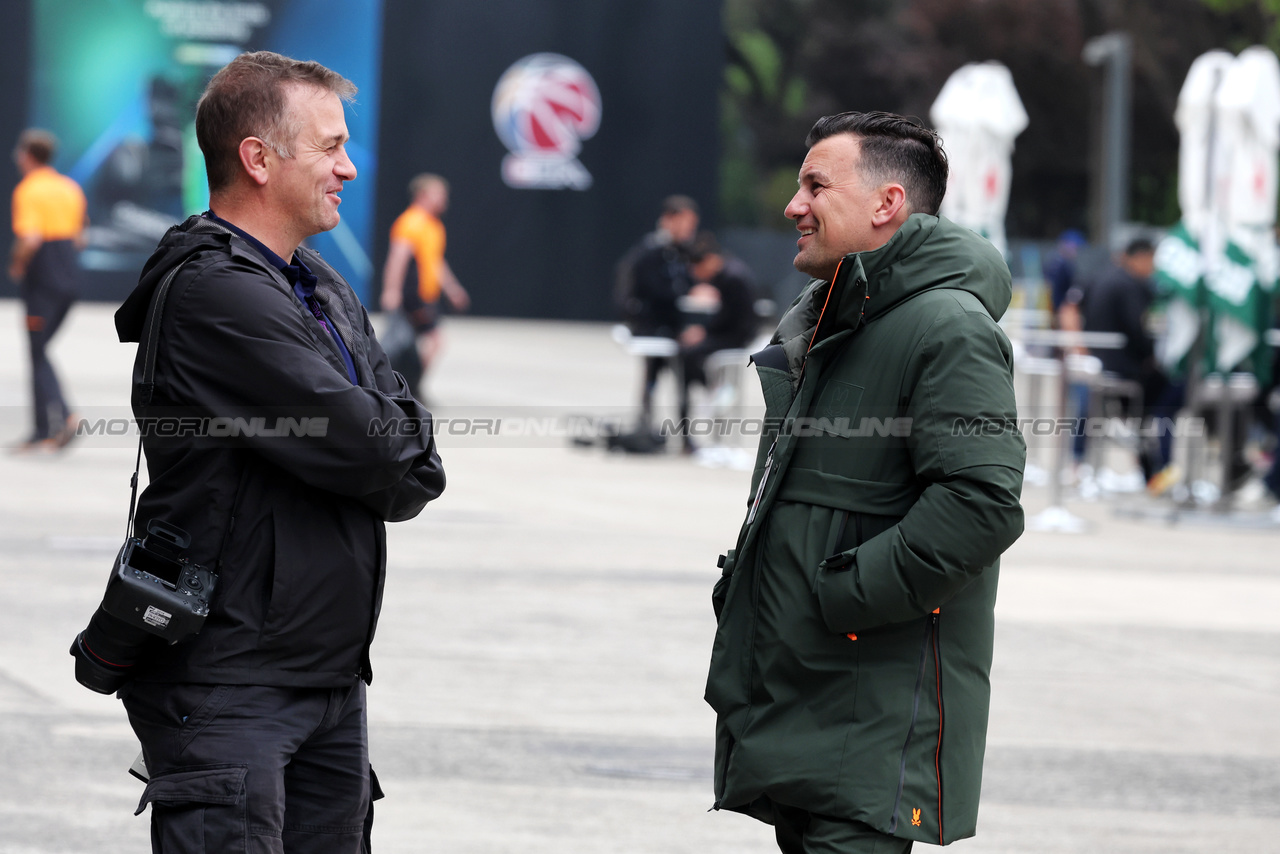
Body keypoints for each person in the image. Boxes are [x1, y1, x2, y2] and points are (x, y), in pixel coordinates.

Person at [72, 51, 445, 852]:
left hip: (328, 677)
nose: (348, 166)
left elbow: (414, 464)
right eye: (330, 146)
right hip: (231, 680)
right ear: (259, 158)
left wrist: (392, 438)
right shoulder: (218, 292)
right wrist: (389, 437)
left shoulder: (313, 282)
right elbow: (381, 449)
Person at [704, 112, 1026, 853]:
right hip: (804, 703)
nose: (793, 206)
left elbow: (980, 504)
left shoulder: (947, 326)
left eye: (816, 185)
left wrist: (844, 596)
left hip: (868, 719)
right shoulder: (829, 321)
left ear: (886, 203)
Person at [1069, 237, 1181, 485]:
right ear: (1140, 257)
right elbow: (1140, 330)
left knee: (1090, 410)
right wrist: (1151, 356)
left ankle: (1079, 462)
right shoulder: (1132, 285)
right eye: (1152, 260)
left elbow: (1071, 308)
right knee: (1170, 398)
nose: (1153, 267)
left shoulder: (1101, 277)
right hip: (1125, 370)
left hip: (1098, 363)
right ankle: (1157, 470)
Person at [9, 128, 87, 451]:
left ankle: (65, 418)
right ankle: (42, 431)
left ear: (27, 155)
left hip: (42, 282)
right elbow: (81, 237)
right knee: (38, 349)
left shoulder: (29, 190)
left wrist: (16, 264)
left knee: (37, 350)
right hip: (68, 279)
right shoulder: (70, 188)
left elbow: (31, 238)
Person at [379, 173, 469, 397]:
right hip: (413, 296)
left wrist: (451, 288)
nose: (443, 199)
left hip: (427, 296)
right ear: (422, 195)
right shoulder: (411, 222)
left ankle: (404, 386)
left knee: (412, 344)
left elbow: (436, 261)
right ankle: (408, 387)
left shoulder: (434, 225)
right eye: (438, 194)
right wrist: (391, 290)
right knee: (431, 340)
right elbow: (397, 259)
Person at [616, 194, 699, 422]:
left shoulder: (685, 253)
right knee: (653, 374)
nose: (689, 229)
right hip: (652, 326)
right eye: (685, 223)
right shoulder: (648, 253)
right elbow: (649, 291)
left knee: (686, 379)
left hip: (678, 327)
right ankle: (646, 429)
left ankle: (684, 435)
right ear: (669, 220)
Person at [677, 230, 759, 448]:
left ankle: (712, 388)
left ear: (709, 261)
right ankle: (710, 388)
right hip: (729, 333)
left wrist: (704, 333)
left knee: (689, 353)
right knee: (686, 352)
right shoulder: (727, 274)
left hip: (736, 337)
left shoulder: (732, 277)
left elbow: (734, 321)